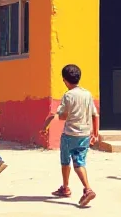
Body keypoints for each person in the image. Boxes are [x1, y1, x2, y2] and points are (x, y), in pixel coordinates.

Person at [41, 64, 99, 207]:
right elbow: (95, 114)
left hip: (70, 134)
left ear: (65, 80)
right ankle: (72, 188)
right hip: (85, 134)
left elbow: (62, 115)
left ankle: (82, 189)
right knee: (80, 160)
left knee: (67, 161)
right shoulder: (87, 94)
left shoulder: (68, 95)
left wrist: (47, 124)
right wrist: (95, 134)